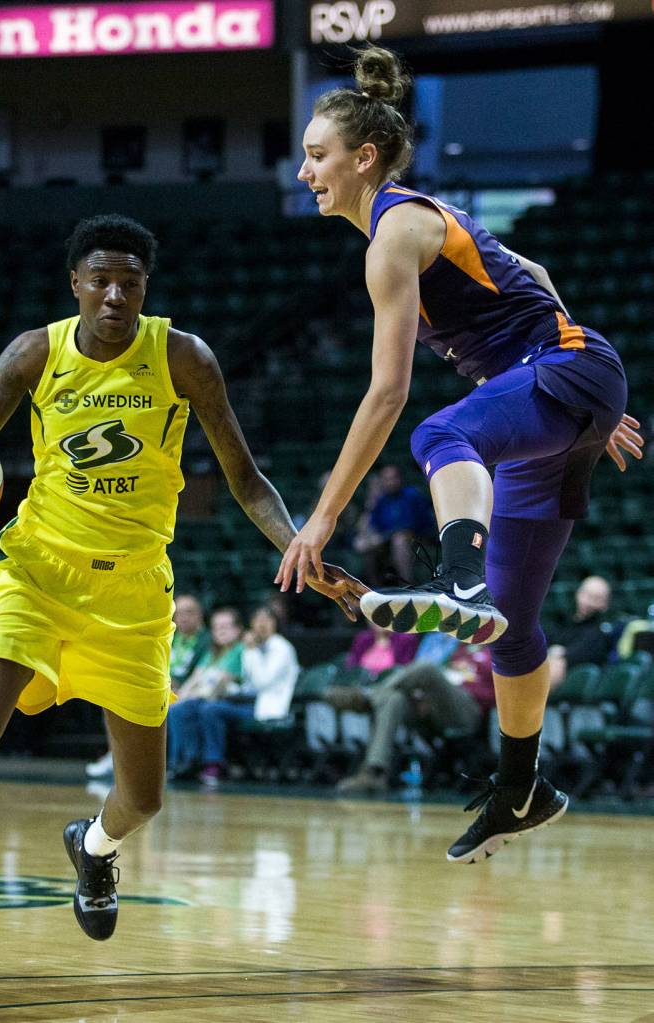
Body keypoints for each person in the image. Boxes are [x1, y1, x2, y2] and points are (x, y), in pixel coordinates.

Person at [0, 214, 363, 972]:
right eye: (101, 279)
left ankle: (93, 845)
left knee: (142, 797)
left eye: (131, 281)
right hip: (35, 571)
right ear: (75, 284)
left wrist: (302, 548)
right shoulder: (33, 353)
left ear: (145, 289)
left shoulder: (184, 358)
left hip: (134, 591)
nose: (116, 293)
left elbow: (245, 479)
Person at [275, 46, 643, 864]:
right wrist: (589, 401)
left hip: (560, 374)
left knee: (440, 434)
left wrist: (321, 519)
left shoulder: (394, 230)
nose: (305, 170)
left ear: (362, 157)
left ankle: (457, 575)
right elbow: (535, 268)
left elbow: (387, 393)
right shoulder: (414, 219)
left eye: (315, 154)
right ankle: (522, 787)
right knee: (510, 631)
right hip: (563, 387)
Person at [336, 637, 494, 795]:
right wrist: (423, 697)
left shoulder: (496, 651)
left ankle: (369, 695)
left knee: (427, 668)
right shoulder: (459, 649)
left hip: (469, 711)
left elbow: (495, 695)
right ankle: (374, 772)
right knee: (394, 698)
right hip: (436, 708)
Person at [85, 591, 209, 778]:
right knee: (114, 699)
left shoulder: (206, 641)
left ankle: (138, 763)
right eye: (179, 612)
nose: (183, 617)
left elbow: (203, 673)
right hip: (160, 687)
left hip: (185, 693)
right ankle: (117, 757)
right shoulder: (171, 635)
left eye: (189, 612)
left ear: (200, 615)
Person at [191, 606, 300, 787]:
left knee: (211, 710)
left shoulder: (280, 647)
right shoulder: (259, 647)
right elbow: (248, 682)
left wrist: (250, 650)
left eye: (266, 620)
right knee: (207, 706)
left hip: (270, 708)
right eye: (257, 620)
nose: (261, 624)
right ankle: (205, 762)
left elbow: (262, 682)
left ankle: (214, 763)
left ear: (276, 623)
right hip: (251, 703)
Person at [166, 606, 244, 782]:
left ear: (238, 629)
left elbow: (220, 682)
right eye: (217, 627)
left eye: (226, 626)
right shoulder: (211, 653)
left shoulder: (239, 650)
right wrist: (179, 697)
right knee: (176, 709)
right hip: (203, 697)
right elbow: (195, 678)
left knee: (205, 709)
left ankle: (211, 763)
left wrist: (190, 696)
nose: (221, 631)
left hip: (232, 700)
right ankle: (182, 761)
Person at [352, 463, 432, 584]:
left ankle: (407, 585)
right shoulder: (380, 500)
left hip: (413, 536)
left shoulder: (412, 495)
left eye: (393, 478)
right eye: (387, 479)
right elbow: (373, 526)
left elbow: (423, 521)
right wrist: (371, 503)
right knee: (366, 545)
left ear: (400, 478)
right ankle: (373, 589)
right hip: (387, 538)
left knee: (399, 540)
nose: (391, 482)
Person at [548, 575, 617, 689]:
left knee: (557, 663)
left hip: (577, 673)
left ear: (605, 604)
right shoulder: (564, 621)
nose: (589, 602)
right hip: (550, 662)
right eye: (587, 595)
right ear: (578, 594)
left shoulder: (602, 629)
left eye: (597, 598)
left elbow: (586, 651)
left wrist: (564, 653)